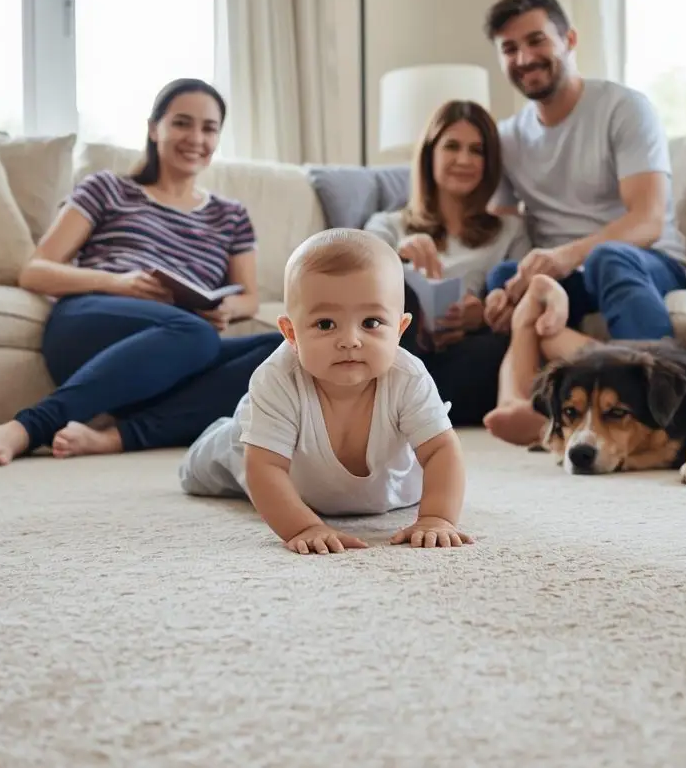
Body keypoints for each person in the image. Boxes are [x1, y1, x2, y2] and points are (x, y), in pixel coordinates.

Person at [0, 77, 282, 466]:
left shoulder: (230, 215)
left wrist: (226, 309)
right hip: (92, 318)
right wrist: (121, 284)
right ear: (154, 129)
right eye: (182, 123)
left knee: (283, 351)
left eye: (209, 128)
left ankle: (114, 437)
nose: (195, 138)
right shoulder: (107, 188)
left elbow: (249, 295)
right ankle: (29, 427)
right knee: (195, 333)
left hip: (177, 348)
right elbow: (35, 271)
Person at [477, 0, 686, 445]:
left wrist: (563, 256)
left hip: (645, 263)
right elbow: (498, 230)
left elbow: (647, 219)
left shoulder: (623, 108)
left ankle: (672, 405)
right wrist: (499, 293)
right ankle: (539, 412)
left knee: (607, 258)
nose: (524, 57)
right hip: (564, 279)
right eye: (510, 48)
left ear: (569, 39)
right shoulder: (507, 139)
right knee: (503, 274)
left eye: (536, 40)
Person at [178, 228, 473, 555]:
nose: (350, 340)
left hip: (387, 489)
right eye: (326, 324)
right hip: (272, 454)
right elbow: (264, 468)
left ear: (400, 330)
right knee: (202, 469)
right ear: (290, 332)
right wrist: (304, 527)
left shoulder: (408, 377)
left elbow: (441, 451)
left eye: (371, 322)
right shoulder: (277, 379)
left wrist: (437, 517)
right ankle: (232, 429)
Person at [363, 99, 531, 426]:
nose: (464, 160)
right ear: (430, 155)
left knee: (500, 342)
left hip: (466, 358)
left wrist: (481, 315)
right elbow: (353, 285)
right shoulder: (388, 225)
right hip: (398, 353)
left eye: (477, 150)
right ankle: (391, 406)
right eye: (452, 146)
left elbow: (522, 305)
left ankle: (409, 410)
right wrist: (397, 258)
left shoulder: (511, 230)